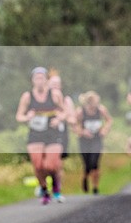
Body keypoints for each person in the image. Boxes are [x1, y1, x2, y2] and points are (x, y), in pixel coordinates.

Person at [16, 67, 66, 205]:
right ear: (32, 80)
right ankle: (44, 190)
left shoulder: (55, 95)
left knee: (51, 166)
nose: (39, 81)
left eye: (41, 78)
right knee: (38, 165)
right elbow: (19, 116)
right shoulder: (27, 96)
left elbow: (64, 112)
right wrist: (27, 117)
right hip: (36, 134)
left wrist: (58, 119)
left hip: (52, 133)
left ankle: (55, 185)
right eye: (36, 78)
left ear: (46, 80)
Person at [75, 91, 112, 194]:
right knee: (87, 163)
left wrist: (104, 130)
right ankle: (85, 177)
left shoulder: (101, 110)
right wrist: (82, 132)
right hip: (84, 141)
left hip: (96, 139)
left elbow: (109, 120)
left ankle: (95, 187)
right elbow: (75, 124)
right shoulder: (81, 112)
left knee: (95, 162)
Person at [47, 70, 75, 202]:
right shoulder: (42, 98)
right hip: (45, 134)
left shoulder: (66, 100)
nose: (55, 86)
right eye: (53, 84)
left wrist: (61, 118)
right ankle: (45, 185)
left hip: (61, 134)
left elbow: (72, 118)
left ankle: (57, 190)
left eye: (58, 84)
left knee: (57, 163)